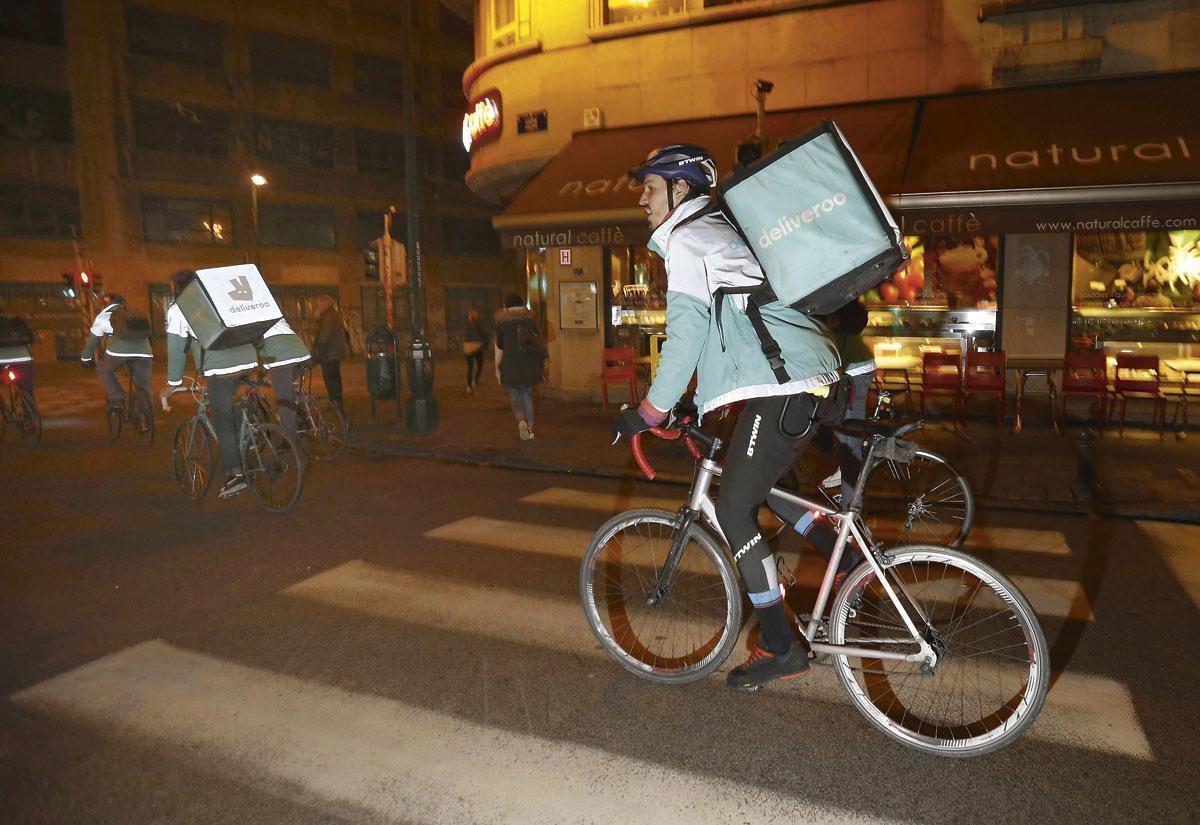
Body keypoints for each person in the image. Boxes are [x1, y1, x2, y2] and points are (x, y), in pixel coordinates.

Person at [612, 144, 845, 693]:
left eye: (651, 187)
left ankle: (780, 646)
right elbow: (730, 333)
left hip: (787, 386)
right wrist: (694, 402)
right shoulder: (714, 232)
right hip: (798, 380)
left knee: (734, 506)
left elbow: (688, 335)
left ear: (681, 190)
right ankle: (842, 550)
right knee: (757, 487)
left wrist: (649, 411)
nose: (642, 199)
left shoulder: (691, 241)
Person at [163, 269, 259, 500]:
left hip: (221, 369)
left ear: (176, 288)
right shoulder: (218, 297)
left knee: (221, 421)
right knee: (232, 405)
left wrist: (173, 383)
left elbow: (176, 349)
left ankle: (235, 475)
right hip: (248, 359)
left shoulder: (180, 308)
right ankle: (250, 441)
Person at [818, 298, 875, 496]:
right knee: (841, 429)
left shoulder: (836, 300)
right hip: (852, 368)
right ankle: (847, 472)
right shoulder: (839, 297)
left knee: (849, 445)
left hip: (854, 372)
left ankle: (850, 510)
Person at [80, 294, 153, 410]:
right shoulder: (136, 313)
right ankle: (146, 413)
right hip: (144, 353)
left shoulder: (104, 317)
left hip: (118, 354)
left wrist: (85, 359)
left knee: (103, 368)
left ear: (107, 304)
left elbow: (93, 341)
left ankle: (117, 395)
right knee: (143, 384)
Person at [494, 294, 545, 440]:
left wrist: (497, 368)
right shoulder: (530, 321)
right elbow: (538, 342)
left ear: (507, 307)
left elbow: (500, 347)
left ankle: (521, 420)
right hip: (529, 365)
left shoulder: (502, 324)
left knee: (514, 395)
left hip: (510, 366)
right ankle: (530, 428)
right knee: (527, 394)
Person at [253, 317, 310, 441]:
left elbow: (256, 349)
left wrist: (259, 370)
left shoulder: (252, 321)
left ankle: (289, 438)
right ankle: (302, 418)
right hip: (300, 352)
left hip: (282, 359)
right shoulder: (273, 314)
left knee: (283, 399)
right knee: (290, 389)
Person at [312, 294, 347, 414]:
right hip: (334, 352)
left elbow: (324, 336)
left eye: (318, 303)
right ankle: (336, 402)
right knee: (334, 378)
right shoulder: (333, 315)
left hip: (329, 354)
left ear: (325, 304)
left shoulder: (328, 316)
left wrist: (318, 353)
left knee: (331, 379)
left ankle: (336, 403)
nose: (317, 306)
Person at [0, 301, 37, 402]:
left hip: (2, 363)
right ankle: (31, 412)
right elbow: (33, 339)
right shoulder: (18, 322)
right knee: (27, 389)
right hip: (25, 361)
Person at [463, 308, 488, 394]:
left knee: (470, 367)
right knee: (480, 364)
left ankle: (469, 386)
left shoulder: (466, 323)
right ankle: (475, 380)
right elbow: (484, 333)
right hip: (477, 346)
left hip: (467, 347)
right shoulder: (479, 322)